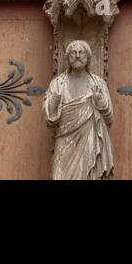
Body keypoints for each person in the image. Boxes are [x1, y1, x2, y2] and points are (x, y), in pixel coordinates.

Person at [44, 40, 113, 179]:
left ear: (88, 58)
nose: (77, 56)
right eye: (73, 53)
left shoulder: (98, 84)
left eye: (81, 53)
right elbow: (48, 118)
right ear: (67, 57)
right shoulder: (58, 84)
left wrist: (100, 102)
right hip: (64, 139)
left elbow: (109, 118)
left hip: (89, 139)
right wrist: (55, 99)